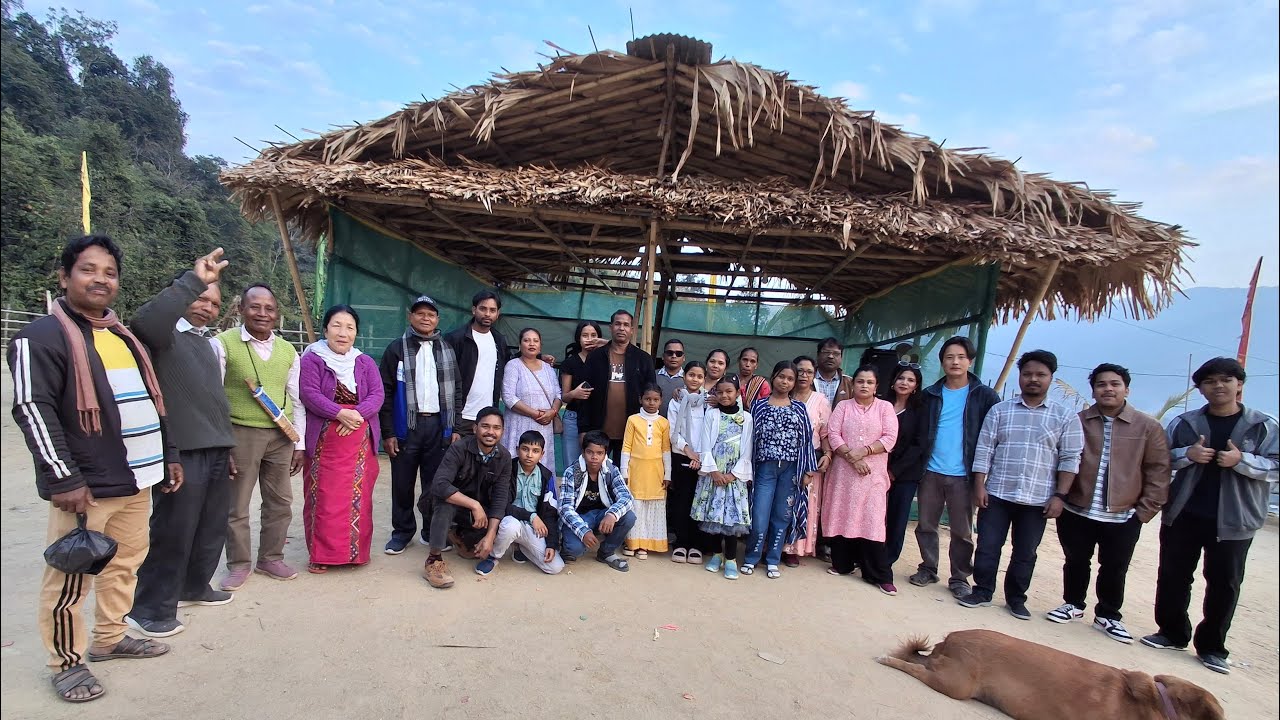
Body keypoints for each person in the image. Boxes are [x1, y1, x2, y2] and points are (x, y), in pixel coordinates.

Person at [9, 235, 181, 703]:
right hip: (86, 486)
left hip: (137, 479)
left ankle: (109, 637)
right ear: (65, 277)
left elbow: (150, 404)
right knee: (71, 575)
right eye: (88, 270)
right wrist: (62, 476)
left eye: (109, 272)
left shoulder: (122, 336)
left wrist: (167, 457)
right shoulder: (40, 338)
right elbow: (32, 407)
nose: (100, 279)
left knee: (124, 565)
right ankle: (65, 662)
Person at [1142, 357, 1279, 675]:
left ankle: (1212, 647)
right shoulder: (1185, 423)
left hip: (1236, 518)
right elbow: (1159, 458)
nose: (1218, 386)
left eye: (1226, 380)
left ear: (1239, 384)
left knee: (1225, 583)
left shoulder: (1264, 426)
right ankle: (1171, 632)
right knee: (1173, 576)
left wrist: (1242, 460)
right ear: (1200, 388)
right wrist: (1186, 455)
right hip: (1184, 512)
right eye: (1210, 381)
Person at [126, 250, 235, 639]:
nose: (207, 307)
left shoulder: (206, 344)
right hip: (181, 451)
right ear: (182, 293)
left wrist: (229, 445)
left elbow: (214, 401)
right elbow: (144, 320)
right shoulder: (160, 337)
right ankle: (150, 609)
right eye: (201, 298)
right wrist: (193, 279)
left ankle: (194, 586)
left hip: (216, 447)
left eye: (214, 303)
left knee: (211, 526)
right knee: (175, 529)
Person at [1046, 363, 1169, 644]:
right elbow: (1061, 458)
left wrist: (1143, 512)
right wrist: (1061, 497)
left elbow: (1158, 471)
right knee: (1076, 560)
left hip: (1124, 514)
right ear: (1094, 390)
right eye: (1101, 385)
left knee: (1115, 566)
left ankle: (1109, 615)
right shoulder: (1077, 421)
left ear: (1127, 389)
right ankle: (1073, 604)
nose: (1108, 389)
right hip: (1077, 508)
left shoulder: (1147, 427)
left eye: (1114, 384)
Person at [958, 350, 1084, 621]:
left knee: (1025, 552)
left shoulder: (1065, 417)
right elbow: (985, 450)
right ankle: (982, 591)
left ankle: (1016, 598)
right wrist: (979, 485)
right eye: (1027, 374)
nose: (1033, 380)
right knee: (988, 545)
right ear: (1020, 377)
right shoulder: (1000, 410)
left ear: (1051, 378)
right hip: (998, 493)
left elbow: (1070, 459)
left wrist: (1060, 496)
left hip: (1038, 498)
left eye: (1040, 375)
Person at [212, 284, 307, 590]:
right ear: (241, 309)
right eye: (255, 307)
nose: (262, 313)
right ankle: (239, 564)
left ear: (277, 314)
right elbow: (212, 397)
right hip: (240, 433)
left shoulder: (288, 350)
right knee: (237, 504)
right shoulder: (222, 344)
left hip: (281, 436)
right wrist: (223, 443)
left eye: (269, 308)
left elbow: (297, 399)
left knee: (280, 501)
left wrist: (299, 444)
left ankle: (271, 558)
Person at [911, 336, 1000, 599]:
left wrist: (982, 476)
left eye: (961, 357)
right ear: (942, 362)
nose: (955, 362)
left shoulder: (984, 396)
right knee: (926, 524)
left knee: (962, 531)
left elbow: (993, 436)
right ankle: (928, 567)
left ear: (970, 361)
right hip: (931, 471)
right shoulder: (930, 395)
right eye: (949, 357)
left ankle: (960, 577)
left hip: (964, 475)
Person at [298, 305, 384, 574]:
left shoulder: (364, 362)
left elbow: (377, 395)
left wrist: (355, 415)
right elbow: (309, 394)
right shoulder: (312, 360)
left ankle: (354, 554)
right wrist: (339, 413)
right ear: (325, 329)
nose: (343, 333)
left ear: (356, 332)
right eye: (336, 325)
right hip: (326, 444)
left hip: (359, 442)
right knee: (325, 498)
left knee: (357, 498)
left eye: (349, 327)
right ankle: (322, 554)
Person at [378, 294, 459, 555]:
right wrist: (388, 432)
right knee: (402, 483)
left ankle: (429, 532)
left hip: (437, 426)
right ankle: (402, 533)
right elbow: (385, 393)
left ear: (437, 319)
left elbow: (456, 391)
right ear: (410, 316)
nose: (426, 318)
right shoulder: (396, 349)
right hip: (406, 428)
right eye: (420, 313)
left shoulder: (446, 349)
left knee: (435, 483)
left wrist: (454, 428)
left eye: (431, 314)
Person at [823, 365, 900, 594]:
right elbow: (833, 433)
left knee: (872, 522)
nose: (864, 386)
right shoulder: (843, 407)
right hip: (844, 474)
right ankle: (843, 564)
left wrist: (864, 451)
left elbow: (890, 438)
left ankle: (878, 574)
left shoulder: (885, 408)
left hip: (872, 476)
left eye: (869, 382)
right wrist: (851, 457)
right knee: (843, 515)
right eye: (860, 381)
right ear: (853, 384)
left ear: (876, 387)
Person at [420, 407, 512, 589]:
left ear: (502, 431)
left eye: (496, 428)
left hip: (470, 512)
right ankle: (433, 560)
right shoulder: (459, 448)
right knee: (445, 503)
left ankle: (455, 532)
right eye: (485, 426)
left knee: (473, 552)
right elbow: (440, 484)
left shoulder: (504, 457)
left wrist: (490, 536)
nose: (491, 432)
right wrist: (474, 505)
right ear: (475, 428)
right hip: (442, 503)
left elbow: (501, 498)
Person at [744, 361, 819, 579]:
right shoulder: (758, 406)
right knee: (759, 516)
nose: (784, 382)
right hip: (764, 470)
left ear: (794, 383)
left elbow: (806, 441)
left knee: (781, 516)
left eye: (790, 379)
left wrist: (807, 471)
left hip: (791, 471)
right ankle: (751, 557)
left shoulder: (799, 408)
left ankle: (773, 560)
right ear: (773, 377)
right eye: (781, 376)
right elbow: (750, 440)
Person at [474, 430, 564, 576]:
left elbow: (550, 513)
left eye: (535, 451)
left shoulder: (547, 476)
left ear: (542, 454)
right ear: (517, 450)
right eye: (525, 449)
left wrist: (552, 544)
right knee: (511, 526)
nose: (529, 455)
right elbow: (500, 505)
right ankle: (494, 557)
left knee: (555, 567)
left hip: (532, 527)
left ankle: (520, 547)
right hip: (507, 521)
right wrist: (531, 516)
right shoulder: (508, 469)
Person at [693, 378, 754, 579]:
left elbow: (746, 450)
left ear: (738, 393)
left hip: (733, 478)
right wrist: (714, 472)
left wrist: (731, 475)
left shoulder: (746, 418)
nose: (724, 396)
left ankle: (730, 559)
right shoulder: (711, 414)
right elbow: (705, 445)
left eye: (729, 391)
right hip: (714, 474)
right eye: (720, 392)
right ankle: (716, 555)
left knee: (730, 521)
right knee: (714, 516)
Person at [580, 310, 656, 463]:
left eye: (626, 325)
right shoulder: (595, 357)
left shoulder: (643, 359)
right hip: (598, 431)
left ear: (632, 330)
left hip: (632, 432)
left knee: (625, 477)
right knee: (598, 476)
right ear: (611, 327)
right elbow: (584, 395)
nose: (622, 328)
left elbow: (651, 396)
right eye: (618, 324)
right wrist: (583, 430)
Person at [559, 431, 637, 571]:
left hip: (602, 515)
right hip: (580, 517)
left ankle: (606, 552)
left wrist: (612, 514)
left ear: (605, 453)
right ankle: (566, 546)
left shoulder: (611, 470)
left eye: (599, 453)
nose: (594, 457)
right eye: (590, 452)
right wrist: (583, 531)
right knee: (574, 549)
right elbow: (565, 508)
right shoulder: (572, 472)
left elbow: (627, 497)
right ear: (583, 452)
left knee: (629, 517)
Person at [782, 355, 832, 566]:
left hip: (809, 461)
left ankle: (795, 548)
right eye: (800, 371)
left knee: (802, 504)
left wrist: (828, 455)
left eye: (809, 372)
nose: (804, 375)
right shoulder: (783, 395)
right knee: (781, 503)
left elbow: (825, 432)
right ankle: (774, 545)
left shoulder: (820, 400)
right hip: (783, 459)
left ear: (814, 376)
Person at [445, 289, 509, 438]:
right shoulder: (455, 338)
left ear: (498, 314)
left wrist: (538, 357)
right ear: (474, 310)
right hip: (460, 417)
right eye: (483, 308)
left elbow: (510, 362)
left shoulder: (499, 340)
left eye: (492, 310)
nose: (487, 314)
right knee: (453, 461)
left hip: (486, 418)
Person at [884, 364, 928, 567]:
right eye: (901, 378)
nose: (905, 383)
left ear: (916, 386)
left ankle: (886, 561)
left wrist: (895, 471)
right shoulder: (881, 405)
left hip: (905, 474)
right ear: (893, 381)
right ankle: (866, 555)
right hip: (876, 470)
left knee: (897, 518)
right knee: (875, 516)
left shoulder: (920, 410)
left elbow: (919, 445)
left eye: (910, 380)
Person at [621, 384, 672, 557]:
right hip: (636, 470)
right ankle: (632, 543)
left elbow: (666, 450)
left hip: (656, 472)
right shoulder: (633, 420)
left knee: (652, 506)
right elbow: (626, 447)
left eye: (655, 400)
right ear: (640, 400)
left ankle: (645, 545)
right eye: (648, 399)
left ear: (661, 401)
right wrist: (624, 472)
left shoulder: (664, 423)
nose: (651, 403)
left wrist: (668, 474)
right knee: (636, 506)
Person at [501, 327, 561, 474]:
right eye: (526, 340)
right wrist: (536, 414)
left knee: (542, 468)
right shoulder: (513, 365)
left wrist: (553, 412)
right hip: (519, 426)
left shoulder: (548, 368)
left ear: (540, 345)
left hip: (544, 427)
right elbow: (508, 397)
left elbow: (558, 394)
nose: (531, 344)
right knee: (516, 467)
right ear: (520, 345)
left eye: (535, 340)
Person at [667, 361, 709, 564]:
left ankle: (696, 545)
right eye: (691, 375)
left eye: (699, 376)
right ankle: (681, 543)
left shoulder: (709, 402)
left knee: (698, 502)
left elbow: (709, 431)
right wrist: (689, 452)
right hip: (681, 455)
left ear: (704, 379)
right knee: (681, 502)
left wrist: (699, 457)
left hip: (703, 459)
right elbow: (673, 432)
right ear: (685, 376)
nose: (695, 379)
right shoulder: (676, 401)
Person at [559, 320, 604, 478]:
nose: (589, 339)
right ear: (578, 338)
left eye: (594, 335)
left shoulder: (605, 361)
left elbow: (621, 349)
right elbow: (564, 396)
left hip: (598, 418)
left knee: (596, 466)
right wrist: (574, 394)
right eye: (585, 335)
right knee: (572, 464)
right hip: (573, 418)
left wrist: (604, 344)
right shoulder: (570, 362)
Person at [814, 337, 854, 409]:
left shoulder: (850, 383)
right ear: (818, 355)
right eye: (826, 352)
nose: (830, 356)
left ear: (841, 357)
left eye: (836, 353)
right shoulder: (806, 380)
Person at [656, 338, 686, 416]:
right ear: (663, 356)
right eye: (670, 353)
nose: (674, 356)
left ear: (684, 358)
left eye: (678, 354)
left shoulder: (690, 380)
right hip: (653, 425)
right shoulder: (652, 375)